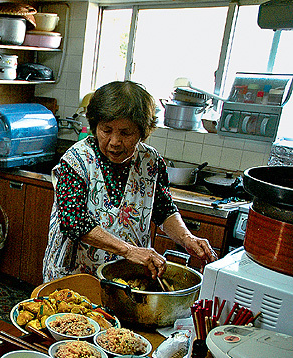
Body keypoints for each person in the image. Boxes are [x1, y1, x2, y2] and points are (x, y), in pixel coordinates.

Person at [43, 80, 217, 281]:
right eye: (106, 130)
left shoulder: (151, 162)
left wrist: (187, 239)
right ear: (95, 126)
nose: (115, 142)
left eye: (126, 133)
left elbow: (164, 210)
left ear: (142, 132)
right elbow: (73, 221)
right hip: (77, 276)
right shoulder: (76, 161)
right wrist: (129, 251)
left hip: (127, 276)